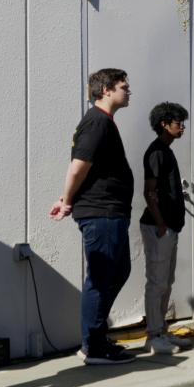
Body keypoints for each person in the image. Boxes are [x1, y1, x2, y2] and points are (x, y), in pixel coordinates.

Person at [49, 68, 136, 366]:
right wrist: (68, 201)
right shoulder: (97, 122)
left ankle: (94, 338)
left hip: (110, 213)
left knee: (118, 272)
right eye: (124, 86)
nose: (129, 91)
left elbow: (87, 169)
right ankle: (94, 347)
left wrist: (69, 197)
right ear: (107, 90)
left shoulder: (102, 122)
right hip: (102, 213)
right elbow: (78, 168)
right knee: (100, 279)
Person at [138, 102, 192, 355]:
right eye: (178, 122)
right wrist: (161, 224)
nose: (183, 126)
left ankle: (160, 331)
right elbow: (149, 191)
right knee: (157, 283)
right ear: (164, 124)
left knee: (166, 282)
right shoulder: (157, 152)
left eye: (183, 122)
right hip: (159, 228)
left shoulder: (166, 150)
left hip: (169, 227)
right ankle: (153, 336)